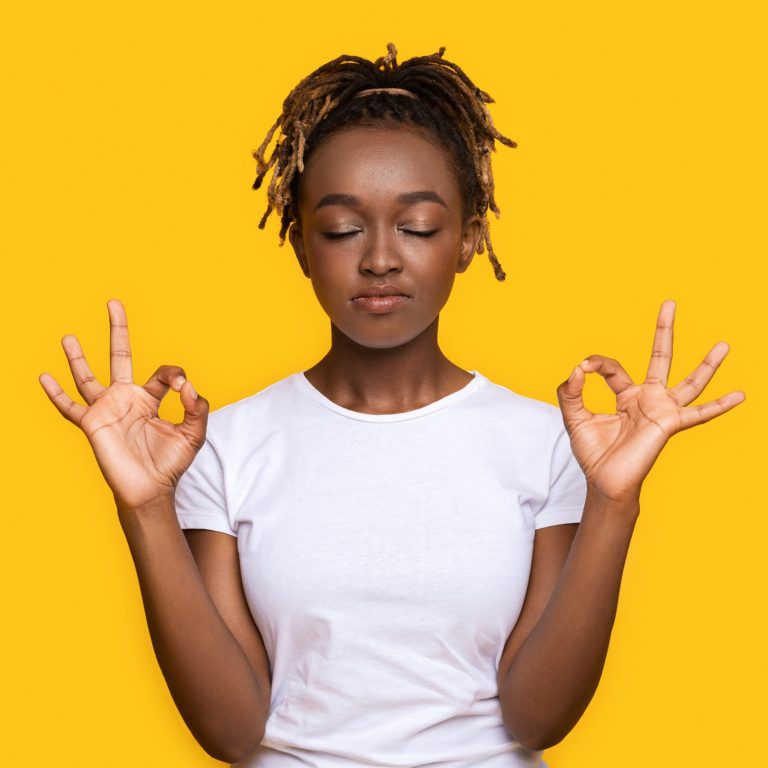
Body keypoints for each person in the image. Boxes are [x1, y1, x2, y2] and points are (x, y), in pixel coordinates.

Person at [38, 43, 745, 768]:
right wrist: (144, 509)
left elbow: (537, 719)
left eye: (417, 227)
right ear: (302, 245)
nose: (379, 257)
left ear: (470, 238)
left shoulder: (555, 443)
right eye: (343, 229)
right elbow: (232, 731)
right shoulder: (224, 443)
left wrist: (614, 502)